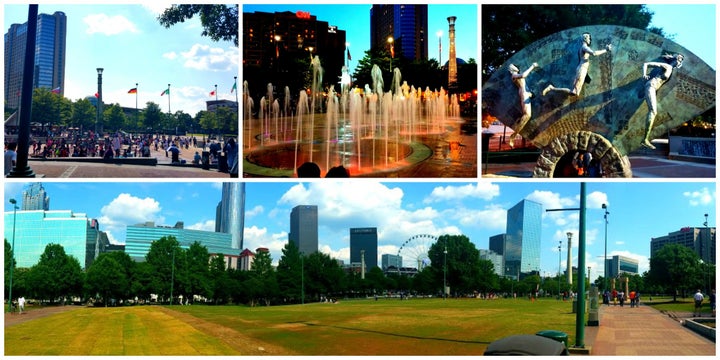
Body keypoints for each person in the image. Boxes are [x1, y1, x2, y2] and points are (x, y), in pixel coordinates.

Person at [543, 32, 612, 97]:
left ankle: (552, 88)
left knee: (575, 93)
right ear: (585, 38)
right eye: (589, 38)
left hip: (583, 70)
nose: (590, 40)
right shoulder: (584, 47)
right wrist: (606, 50)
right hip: (581, 70)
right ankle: (552, 88)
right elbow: (594, 53)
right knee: (575, 92)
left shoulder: (583, 47)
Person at [640, 53, 684, 149]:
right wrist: (644, 74)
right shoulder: (667, 66)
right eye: (679, 60)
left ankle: (645, 139)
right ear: (675, 59)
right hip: (650, 86)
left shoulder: (671, 69)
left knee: (654, 112)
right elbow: (646, 64)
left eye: (681, 61)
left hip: (653, 89)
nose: (680, 62)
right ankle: (644, 139)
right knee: (653, 111)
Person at [508, 62, 539, 148]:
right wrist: (532, 66)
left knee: (527, 116)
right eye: (514, 65)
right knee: (527, 115)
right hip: (524, 94)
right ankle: (513, 136)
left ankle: (515, 132)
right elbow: (524, 75)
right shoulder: (514, 75)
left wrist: (531, 94)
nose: (516, 66)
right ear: (511, 69)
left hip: (527, 93)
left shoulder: (516, 74)